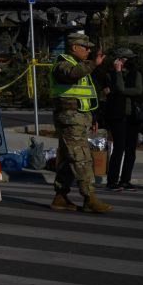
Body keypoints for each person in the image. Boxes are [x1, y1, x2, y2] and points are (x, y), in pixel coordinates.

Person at [49, 32, 110, 212]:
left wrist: (93, 118)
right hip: (69, 119)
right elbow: (71, 74)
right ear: (74, 47)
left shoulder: (80, 65)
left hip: (79, 118)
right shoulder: (63, 64)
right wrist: (93, 64)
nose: (89, 51)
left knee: (70, 159)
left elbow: (85, 95)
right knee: (81, 158)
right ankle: (89, 198)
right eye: (86, 47)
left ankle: (60, 197)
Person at [100, 46, 143, 191]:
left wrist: (120, 91)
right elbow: (115, 89)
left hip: (132, 116)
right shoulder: (110, 74)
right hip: (117, 115)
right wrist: (118, 73)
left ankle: (125, 180)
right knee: (119, 148)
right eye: (124, 58)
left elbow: (137, 90)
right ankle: (112, 181)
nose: (127, 61)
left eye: (128, 59)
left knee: (131, 150)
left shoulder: (135, 73)